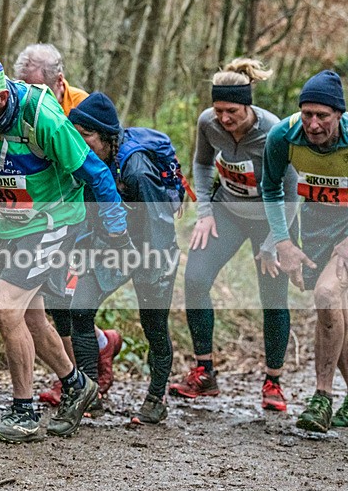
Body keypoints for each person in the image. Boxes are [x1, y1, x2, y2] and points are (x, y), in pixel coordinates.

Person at [0, 50, 129, 443]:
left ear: (1, 98)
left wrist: (116, 227)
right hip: (6, 224)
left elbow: (96, 172)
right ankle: (77, 384)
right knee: (29, 318)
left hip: (52, 222)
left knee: (4, 308)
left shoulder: (42, 116)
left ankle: (23, 412)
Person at [169, 58, 298, 412]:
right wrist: (205, 213)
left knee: (273, 296)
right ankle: (204, 373)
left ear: (248, 106)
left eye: (233, 112)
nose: (224, 119)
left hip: (272, 219)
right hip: (228, 212)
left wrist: (274, 242)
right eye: (219, 110)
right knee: (195, 279)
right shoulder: (207, 123)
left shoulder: (274, 132)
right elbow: (201, 163)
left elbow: (291, 193)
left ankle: (273, 382)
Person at [13, 44, 123, 409]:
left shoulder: (80, 108)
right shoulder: (20, 107)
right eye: (22, 85)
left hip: (80, 213)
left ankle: (78, 380)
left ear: (58, 83)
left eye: (35, 87)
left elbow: (98, 171)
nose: (28, 94)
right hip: (44, 211)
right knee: (55, 296)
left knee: (68, 299)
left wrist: (112, 226)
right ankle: (98, 349)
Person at [67, 92, 180, 424]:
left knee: (154, 325)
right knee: (80, 310)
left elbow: (159, 222)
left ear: (107, 137)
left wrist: (154, 268)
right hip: (110, 245)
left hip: (151, 250)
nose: (78, 141)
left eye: (86, 134)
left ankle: (156, 398)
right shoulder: (86, 161)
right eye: (75, 133)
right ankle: (88, 392)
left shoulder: (136, 170)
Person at [262, 70, 348, 432]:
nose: (313, 124)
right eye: (307, 114)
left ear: (339, 114)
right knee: (336, 310)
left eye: (322, 116)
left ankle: (321, 397)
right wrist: (283, 241)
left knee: (326, 295)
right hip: (316, 227)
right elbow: (270, 188)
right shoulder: (283, 135)